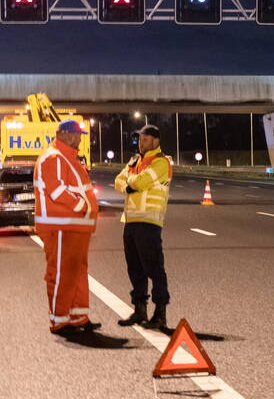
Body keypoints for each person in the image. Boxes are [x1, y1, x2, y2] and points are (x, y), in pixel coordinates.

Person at [34, 120, 101, 335]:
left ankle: (78, 316)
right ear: (63, 134)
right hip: (61, 225)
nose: (79, 138)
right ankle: (60, 320)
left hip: (75, 226)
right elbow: (57, 190)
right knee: (62, 273)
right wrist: (82, 206)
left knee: (77, 272)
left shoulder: (67, 157)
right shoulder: (54, 157)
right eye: (76, 134)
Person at [115, 125, 173, 331]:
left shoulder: (161, 162)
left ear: (156, 141)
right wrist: (130, 183)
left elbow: (141, 182)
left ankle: (160, 313)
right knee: (135, 269)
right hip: (130, 222)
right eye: (140, 139)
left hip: (149, 222)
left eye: (146, 139)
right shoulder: (135, 160)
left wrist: (131, 182)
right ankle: (140, 310)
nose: (141, 143)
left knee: (154, 269)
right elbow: (118, 181)